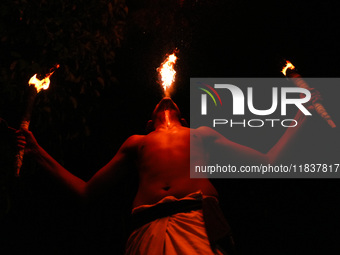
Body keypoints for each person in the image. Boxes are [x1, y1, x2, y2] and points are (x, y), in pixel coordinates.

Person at [17, 95, 315, 254]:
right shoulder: (138, 142)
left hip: (197, 225)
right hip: (148, 231)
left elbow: (267, 161)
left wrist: (302, 112)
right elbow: (85, 192)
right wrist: (36, 151)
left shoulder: (200, 134)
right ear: (150, 123)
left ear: (183, 119)